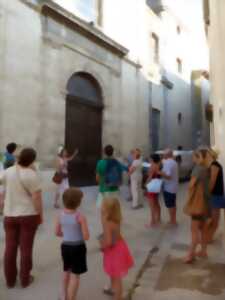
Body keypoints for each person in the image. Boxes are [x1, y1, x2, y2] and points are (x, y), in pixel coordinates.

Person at [0, 148, 43, 288]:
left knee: (10, 248)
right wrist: (40, 215)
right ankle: (25, 279)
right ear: (32, 160)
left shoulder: (8, 171)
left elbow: (2, 185)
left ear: (19, 157)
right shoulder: (32, 175)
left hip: (9, 215)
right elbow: (37, 198)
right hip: (28, 215)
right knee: (26, 248)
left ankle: (10, 280)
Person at [55, 188, 89, 300]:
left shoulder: (60, 215)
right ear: (78, 203)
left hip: (65, 246)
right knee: (75, 275)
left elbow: (57, 232)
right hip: (78, 247)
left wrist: (66, 234)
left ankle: (63, 295)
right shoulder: (80, 217)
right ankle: (71, 298)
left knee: (66, 271)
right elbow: (86, 236)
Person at [100, 197, 134, 300]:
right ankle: (114, 290)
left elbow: (109, 241)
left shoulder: (107, 222)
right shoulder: (116, 219)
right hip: (120, 246)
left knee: (116, 277)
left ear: (106, 210)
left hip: (114, 251)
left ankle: (117, 297)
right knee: (114, 273)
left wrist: (102, 246)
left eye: (103, 206)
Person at [184, 149, 211, 263]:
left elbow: (191, 185)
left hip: (197, 204)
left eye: (194, 156)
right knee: (203, 228)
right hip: (206, 203)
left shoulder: (197, 169)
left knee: (194, 230)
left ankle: (191, 255)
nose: (192, 158)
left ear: (198, 157)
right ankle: (203, 251)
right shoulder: (207, 168)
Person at [206, 148, 224, 243]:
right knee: (214, 221)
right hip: (216, 196)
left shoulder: (214, 166)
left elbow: (212, 182)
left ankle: (208, 238)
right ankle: (208, 239)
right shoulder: (214, 165)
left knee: (214, 221)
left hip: (215, 196)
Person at [159, 149, 178, 225]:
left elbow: (168, 176)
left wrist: (159, 172)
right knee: (173, 204)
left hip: (169, 187)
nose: (163, 155)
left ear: (166, 155)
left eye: (164, 154)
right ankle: (174, 219)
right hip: (173, 187)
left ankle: (172, 221)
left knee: (170, 205)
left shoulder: (168, 163)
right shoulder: (173, 162)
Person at [145, 154, 162, 227]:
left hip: (152, 186)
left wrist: (146, 184)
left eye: (150, 158)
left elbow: (150, 177)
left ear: (152, 159)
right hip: (157, 185)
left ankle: (153, 221)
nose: (149, 159)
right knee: (156, 202)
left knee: (151, 205)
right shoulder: (158, 165)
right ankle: (158, 218)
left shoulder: (152, 166)